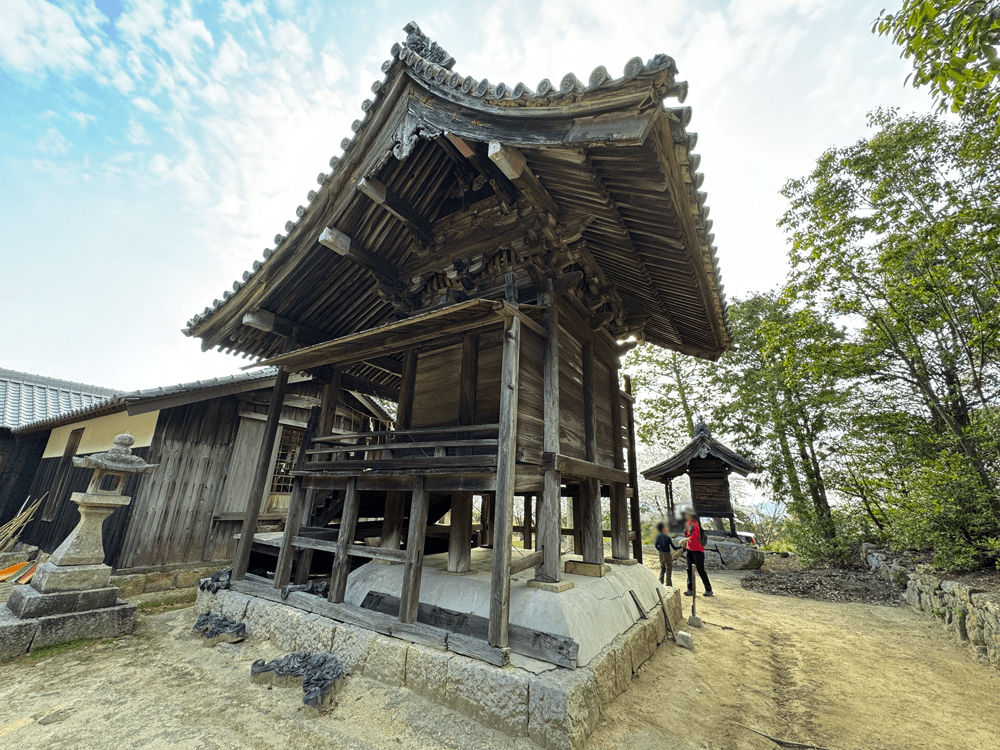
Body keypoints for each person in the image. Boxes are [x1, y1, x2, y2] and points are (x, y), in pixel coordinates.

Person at [679, 506, 713, 597]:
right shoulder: (687, 525)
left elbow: (694, 538)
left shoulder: (695, 525)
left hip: (697, 550)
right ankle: (690, 589)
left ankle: (708, 589)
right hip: (690, 550)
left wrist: (684, 540)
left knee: (700, 570)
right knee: (689, 569)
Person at [654, 521, 682, 586]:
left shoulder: (657, 536)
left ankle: (660, 583)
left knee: (662, 568)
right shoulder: (667, 537)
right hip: (667, 554)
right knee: (668, 569)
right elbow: (674, 548)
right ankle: (668, 584)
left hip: (660, 554)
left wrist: (660, 551)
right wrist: (681, 547)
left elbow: (656, 546)